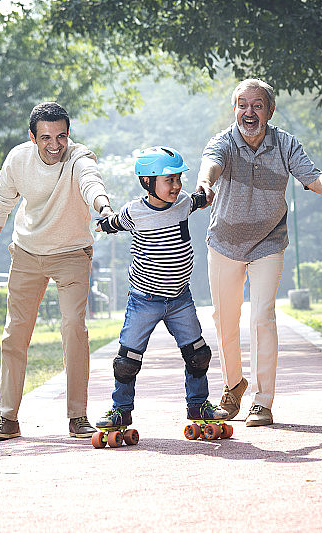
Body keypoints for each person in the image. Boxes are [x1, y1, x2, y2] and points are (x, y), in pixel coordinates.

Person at [196, 78, 322, 427]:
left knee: (262, 316)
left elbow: (313, 179)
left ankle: (263, 401)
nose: (249, 111)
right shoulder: (223, 142)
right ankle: (234, 387)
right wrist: (205, 184)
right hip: (225, 243)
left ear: (269, 111)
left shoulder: (285, 144)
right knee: (224, 319)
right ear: (235, 110)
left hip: (268, 241)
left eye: (257, 105)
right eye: (242, 105)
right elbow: (211, 166)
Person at [0, 102, 114, 442]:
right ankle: (6, 417)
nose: (55, 145)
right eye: (46, 138)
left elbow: (90, 183)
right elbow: (0, 208)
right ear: (32, 137)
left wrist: (105, 208)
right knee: (15, 334)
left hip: (71, 254)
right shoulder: (18, 160)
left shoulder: (80, 157)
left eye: (62, 136)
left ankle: (77, 415)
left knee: (73, 328)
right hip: (27, 252)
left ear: (69, 135)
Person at [95, 146, 228, 431]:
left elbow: (199, 199)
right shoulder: (134, 212)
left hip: (180, 298)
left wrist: (207, 192)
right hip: (144, 298)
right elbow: (116, 223)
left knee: (198, 354)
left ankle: (198, 405)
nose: (177, 186)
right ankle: (121, 410)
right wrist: (103, 225)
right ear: (147, 181)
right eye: (169, 180)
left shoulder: (183, 203)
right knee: (127, 359)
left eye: (179, 179)